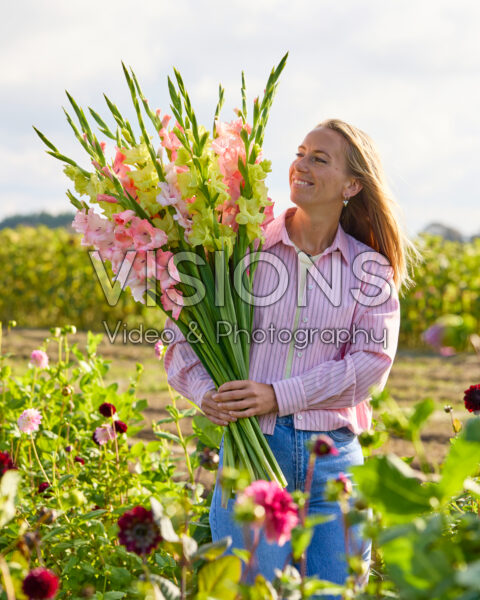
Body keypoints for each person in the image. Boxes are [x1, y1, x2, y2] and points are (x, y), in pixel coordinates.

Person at [163, 119, 419, 595]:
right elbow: (178, 337)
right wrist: (205, 393)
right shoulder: (240, 248)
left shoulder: (370, 269)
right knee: (251, 591)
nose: (300, 164)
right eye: (300, 153)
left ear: (352, 185)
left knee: (335, 592)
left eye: (319, 158)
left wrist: (278, 395)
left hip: (334, 461)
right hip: (249, 450)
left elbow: (371, 367)